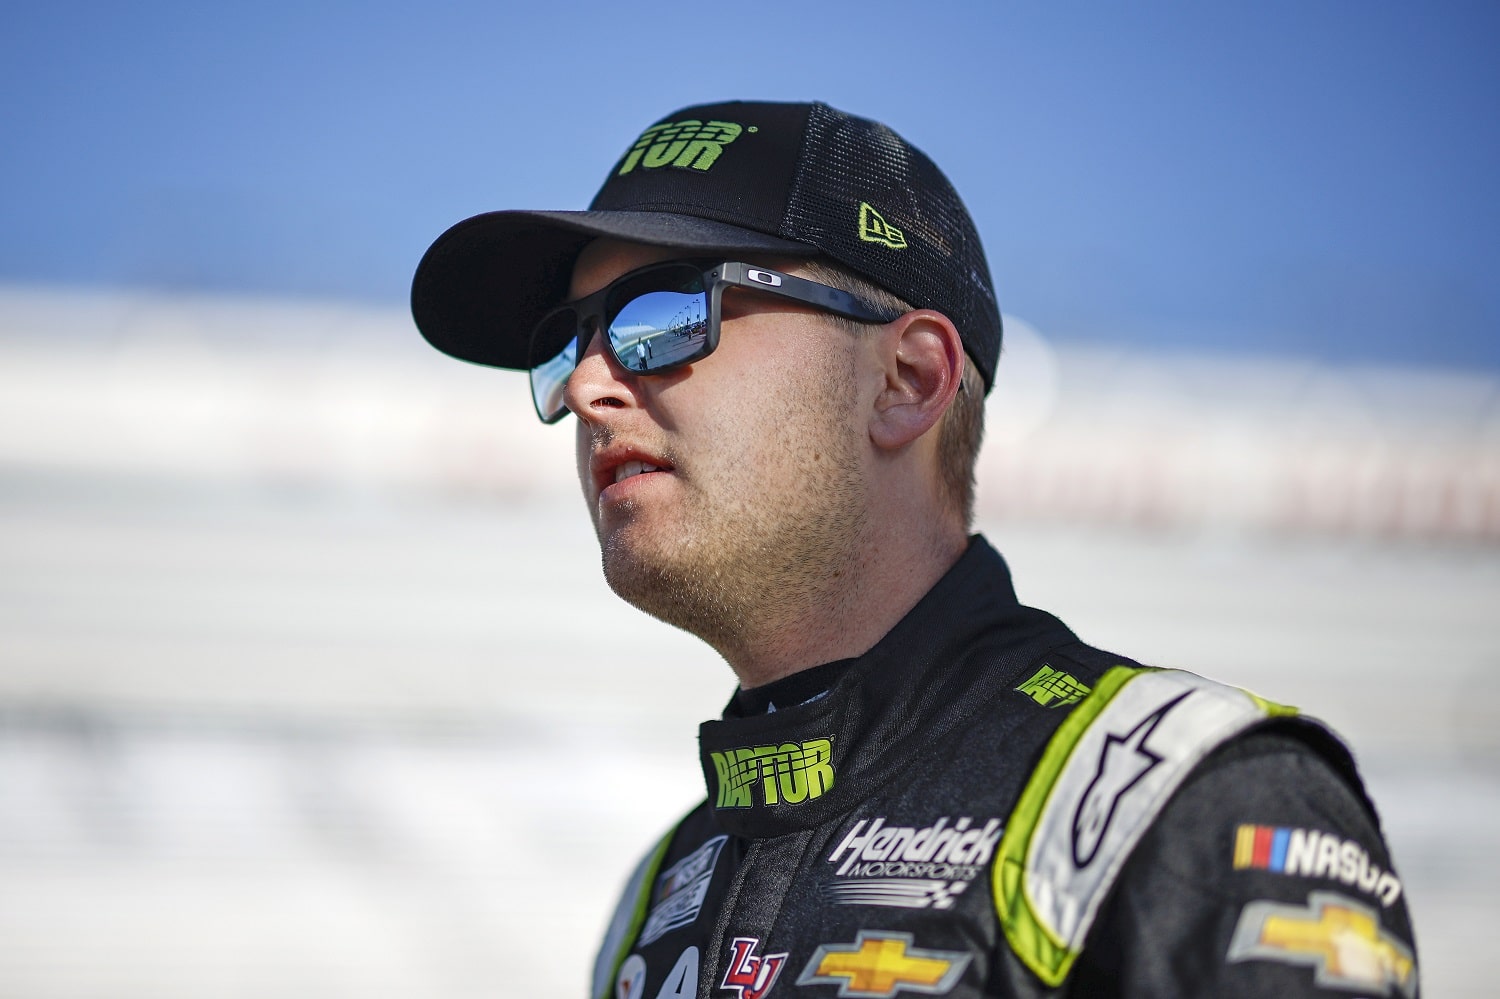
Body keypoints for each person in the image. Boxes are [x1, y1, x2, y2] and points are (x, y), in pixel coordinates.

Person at [411, 101, 1419, 999]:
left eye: (664, 315)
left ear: (907, 378)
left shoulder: (1185, 798)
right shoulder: (659, 895)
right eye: (568, 340)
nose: (589, 388)